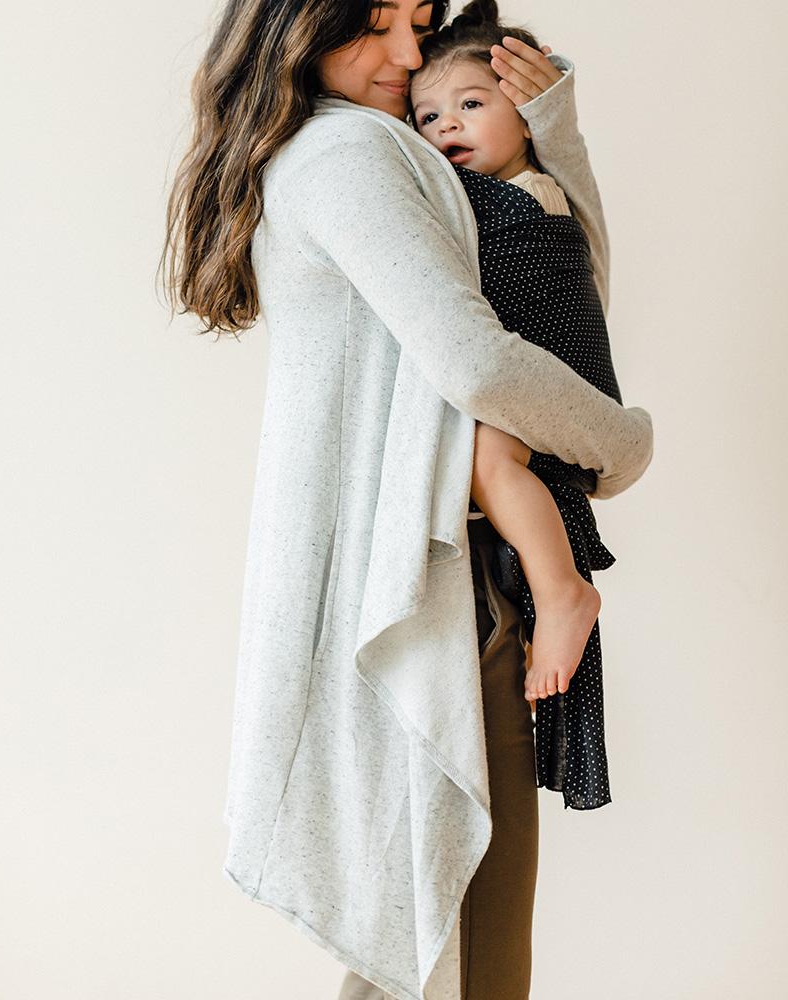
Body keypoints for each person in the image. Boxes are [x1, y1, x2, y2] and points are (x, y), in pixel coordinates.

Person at [161, 1, 654, 998]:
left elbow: (560, 288)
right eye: (376, 22)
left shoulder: (376, 149)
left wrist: (550, 130)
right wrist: (623, 443)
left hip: (437, 570)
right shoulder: (349, 156)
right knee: (460, 944)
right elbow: (480, 364)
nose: (407, 54)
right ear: (300, 22)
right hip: (433, 584)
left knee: (427, 935)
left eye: (419, 21)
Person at [407, 0, 623, 812]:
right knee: (493, 461)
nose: (446, 127)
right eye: (427, 116)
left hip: (549, 353)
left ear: (526, 120)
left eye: (472, 104)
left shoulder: (523, 195)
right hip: (545, 359)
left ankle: (562, 588)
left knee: (492, 459)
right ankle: (554, 585)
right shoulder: (497, 186)